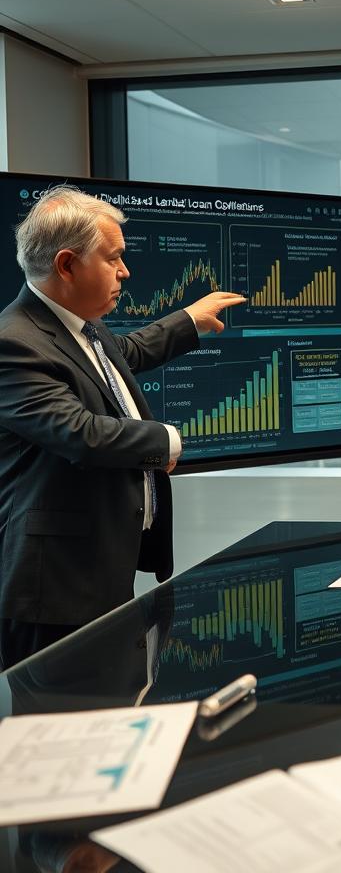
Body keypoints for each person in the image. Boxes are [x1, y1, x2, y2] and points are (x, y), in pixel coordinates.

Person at [0, 187, 244, 670]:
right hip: (54, 592)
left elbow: (121, 359)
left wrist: (187, 321)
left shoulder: (81, 327)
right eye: (113, 258)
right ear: (67, 265)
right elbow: (79, 432)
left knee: (107, 713)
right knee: (64, 730)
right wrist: (168, 441)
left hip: (98, 568)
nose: (125, 272)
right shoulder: (14, 343)